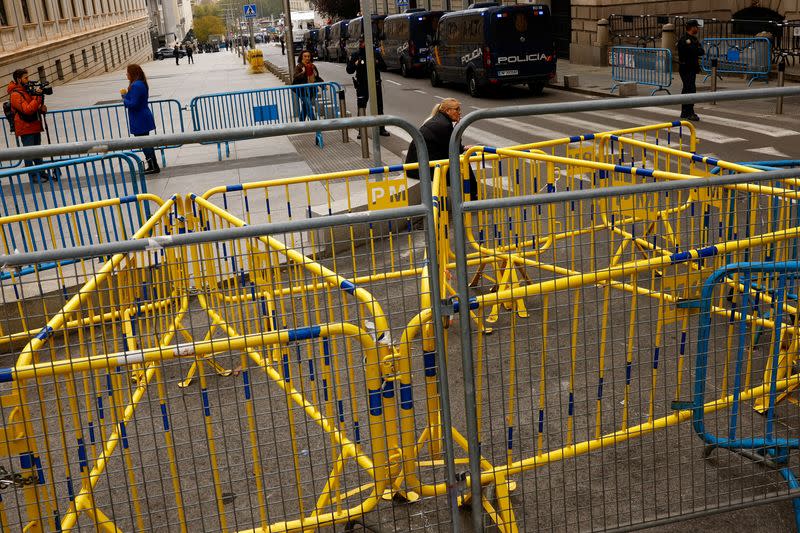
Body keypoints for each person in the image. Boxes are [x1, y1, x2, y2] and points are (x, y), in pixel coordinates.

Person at [404, 98, 477, 200]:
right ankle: (472, 196)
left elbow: (448, 145)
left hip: (419, 164)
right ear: (448, 111)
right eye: (457, 109)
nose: (459, 112)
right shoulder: (444, 125)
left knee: (460, 162)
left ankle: (471, 194)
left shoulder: (440, 120)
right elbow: (453, 149)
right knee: (463, 162)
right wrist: (458, 127)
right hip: (421, 168)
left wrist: (463, 147)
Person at [7, 69, 51, 183]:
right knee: (29, 154)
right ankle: (33, 176)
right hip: (25, 127)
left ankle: (41, 172)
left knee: (37, 151)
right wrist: (37, 96)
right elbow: (27, 110)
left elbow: (34, 106)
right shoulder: (15, 95)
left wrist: (41, 107)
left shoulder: (27, 91)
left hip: (34, 125)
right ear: (18, 79)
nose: (27, 80)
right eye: (25, 78)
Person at [121, 64, 160, 175]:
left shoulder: (136, 85)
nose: (126, 74)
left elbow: (133, 104)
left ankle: (153, 166)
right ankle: (153, 165)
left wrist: (124, 98)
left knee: (145, 144)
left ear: (133, 73)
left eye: (128, 72)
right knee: (145, 143)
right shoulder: (138, 84)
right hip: (141, 117)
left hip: (140, 118)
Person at [346, 37, 389, 137]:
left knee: (379, 107)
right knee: (361, 106)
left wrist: (377, 62)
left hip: (375, 83)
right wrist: (355, 64)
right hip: (362, 84)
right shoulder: (356, 55)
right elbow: (349, 70)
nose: (362, 44)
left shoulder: (375, 54)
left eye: (364, 42)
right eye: (361, 42)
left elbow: (384, 67)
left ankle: (381, 128)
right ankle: (361, 130)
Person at [677, 19, 704, 122]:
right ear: (692, 27)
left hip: (691, 68)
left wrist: (696, 50)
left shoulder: (694, 39)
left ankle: (685, 111)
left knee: (687, 89)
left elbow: (701, 51)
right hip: (686, 68)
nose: (697, 28)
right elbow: (693, 51)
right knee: (690, 89)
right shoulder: (685, 40)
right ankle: (689, 112)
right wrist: (696, 50)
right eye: (696, 27)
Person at [292, 50, 323, 122]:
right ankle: (315, 124)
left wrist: (323, 85)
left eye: (308, 56)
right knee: (309, 106)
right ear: (301, 57)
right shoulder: (299, 66)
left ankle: (301, 122)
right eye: (305, 56)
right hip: (302, 90)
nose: (307, 58)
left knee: (305, 106)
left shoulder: (313, 66)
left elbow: (317, 77)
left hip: (311, 90)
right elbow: (295, 76)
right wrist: (303, 72)